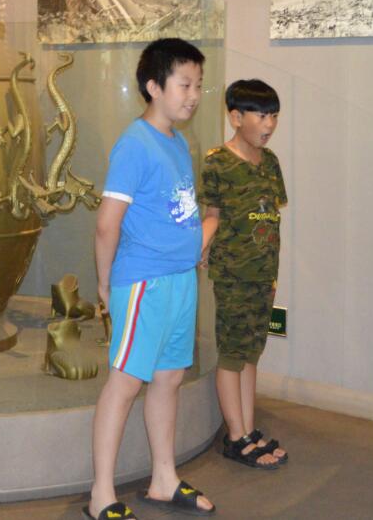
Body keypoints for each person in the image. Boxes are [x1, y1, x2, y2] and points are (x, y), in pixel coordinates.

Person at [87, 38, 215, 520]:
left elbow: (178, 210)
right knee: (123, 384)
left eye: (198, 84)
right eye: (184, 84)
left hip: (180, 280)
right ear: (153, 86)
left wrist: (190, 251)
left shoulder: (178, 142)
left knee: (168, 379)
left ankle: (164, 478)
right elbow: (107, 223)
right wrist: (104, 284)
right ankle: (102, 494)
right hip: (143, 284)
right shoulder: (133, 145)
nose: (194, 94)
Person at [200, 79, 289, 471]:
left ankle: (249, 431)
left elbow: (271, 217)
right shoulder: (218, 161)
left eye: (273, 116)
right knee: (233, 355)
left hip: (263, 276)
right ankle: (234, 438)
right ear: (236, 117)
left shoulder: (270, 163)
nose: (268, 124)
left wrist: (271, 273)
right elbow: (212, 217)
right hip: (233, 275)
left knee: (252, 353)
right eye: (261, 115)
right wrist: (197, 249)